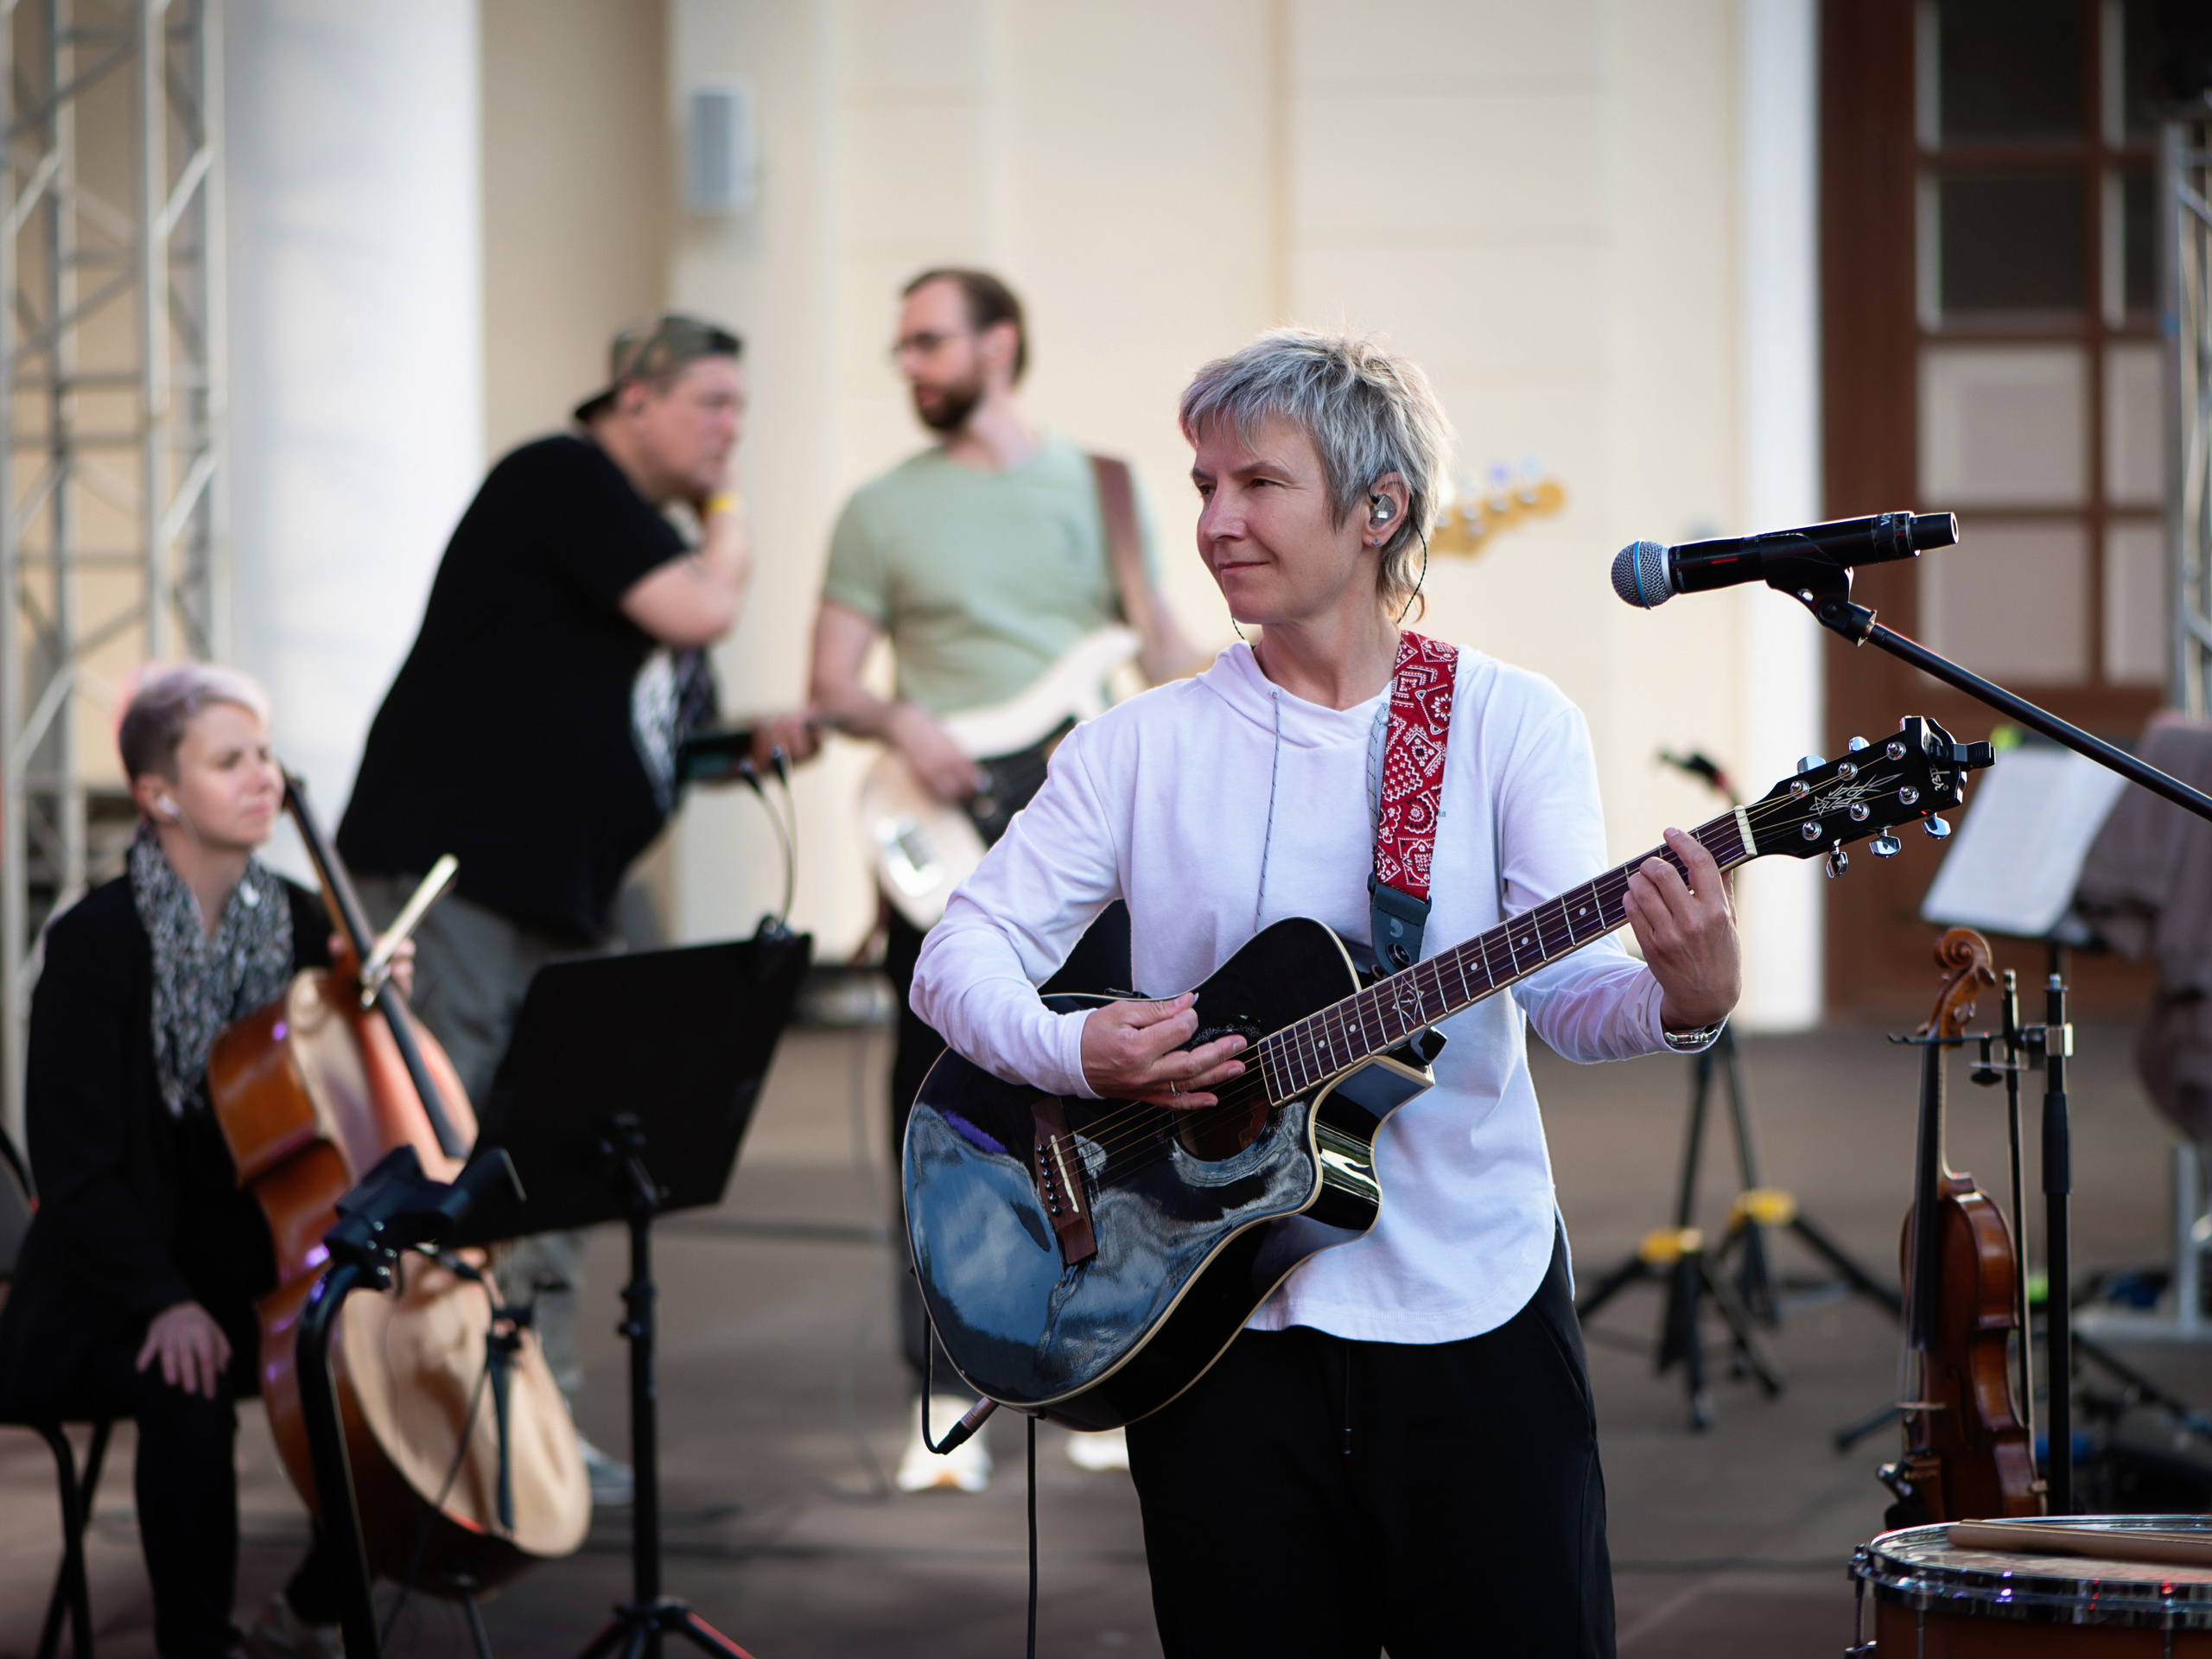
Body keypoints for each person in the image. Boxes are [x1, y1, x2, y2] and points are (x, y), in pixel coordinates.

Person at [909, 331, 1741, 1656]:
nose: (1215, 523)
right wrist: (1079, 1054)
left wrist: (1682, 998)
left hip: (1469, 1305)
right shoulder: (1140, 745)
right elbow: (955, 960)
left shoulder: (1505, 724)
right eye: (1201, 487)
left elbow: (1577, 998)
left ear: (1378, 510)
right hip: (1202, 1319)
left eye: (1257, 485)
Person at [336, 314, 810, 1506]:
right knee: (463, 1148)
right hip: (462, 884)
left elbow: (610, 723)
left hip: (560, 891)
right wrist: (733, 515)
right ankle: (439, 1432)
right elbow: (700, 611)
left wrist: (724, 745)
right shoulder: (564, 476)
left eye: (738, 412)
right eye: (711, 404)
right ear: (632, 399)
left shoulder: (623, 531)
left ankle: (529, 1419)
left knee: (557, 1150)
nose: (729, 431)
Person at [808, 268, 1203, 1491]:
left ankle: (1102, 1364)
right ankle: (948, 1378)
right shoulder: (879, 508)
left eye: (930, 340)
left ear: (1000, 344)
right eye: (903, 344)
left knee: (1112, 1097)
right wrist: (900, 724)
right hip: (944, 818)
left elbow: (1163, 644)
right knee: (939, 1105)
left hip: (1075, 826)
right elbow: (831, 681)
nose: (911, 363)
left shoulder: (1105, 486)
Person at [0, 664, 414, 1659]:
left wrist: (381, 1001)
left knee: (369, 1351)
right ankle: (196, 1641)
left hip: (249, 1262)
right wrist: (160, 1298)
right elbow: (78, 1171)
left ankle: (319, 1605)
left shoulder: (308, 922)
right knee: (184, 1378)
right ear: (159, 796)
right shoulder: (94, 944)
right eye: (229, 762)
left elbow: (351, 1117)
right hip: (111, 1285)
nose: (263, 778)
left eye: (265, 755)